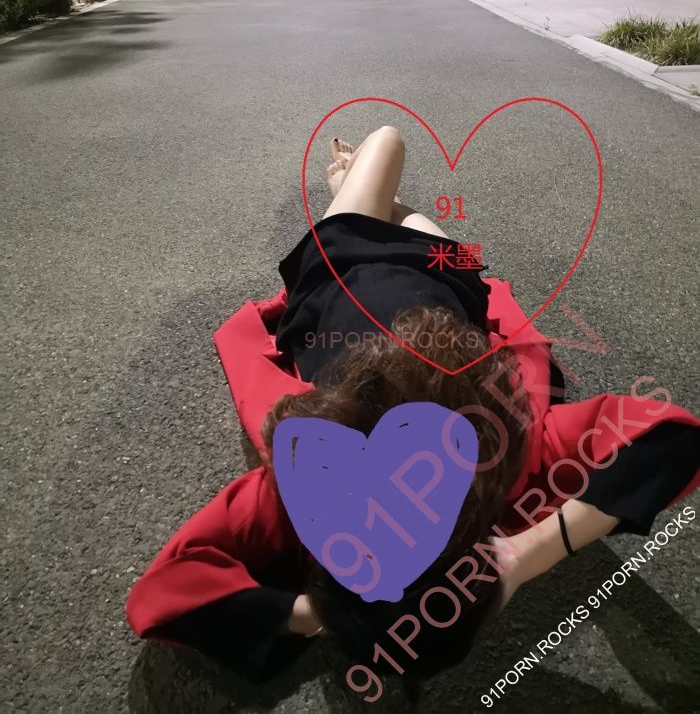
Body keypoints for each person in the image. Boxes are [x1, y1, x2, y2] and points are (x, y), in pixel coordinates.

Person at [126, 126, 700, 684]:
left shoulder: (321, 484)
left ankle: (354, 190)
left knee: (388, 148)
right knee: (397, 173)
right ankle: (361, 191)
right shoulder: (340, 487)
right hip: (436, 274)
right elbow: (673, 440)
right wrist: (322, 611)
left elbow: (163, 593)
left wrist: (524, 559)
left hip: (342, 269)